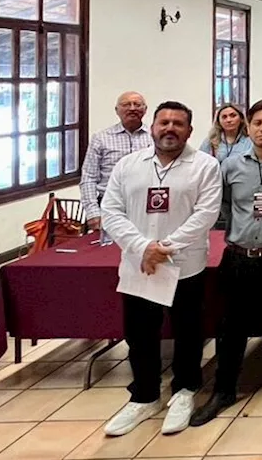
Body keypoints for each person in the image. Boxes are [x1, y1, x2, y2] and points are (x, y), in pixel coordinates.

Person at [99, 101, 221, 437]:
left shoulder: (204, 166)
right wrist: (144, 247)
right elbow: (111, 211)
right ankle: (144, 396)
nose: (170, 128)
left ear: (189, 131)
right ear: (152, 127)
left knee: (188, 333)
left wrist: (165, 247)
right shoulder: (128, 165)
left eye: (178, 124)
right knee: (140, 335)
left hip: (185, 266)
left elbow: (206, 214)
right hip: (141, 267)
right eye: (164, 122)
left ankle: (184, 391)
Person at [190, 100, 262, 426]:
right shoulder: (230, 166)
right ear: (248, 126)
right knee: (231, 328)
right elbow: (221, 208)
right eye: (257, 123)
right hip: (238, 257)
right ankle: (224, 389)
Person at [81, 91, 153, 230]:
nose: (132, 108)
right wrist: (93, 212)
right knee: (108, 251)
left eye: (137, 104)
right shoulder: (101, 138)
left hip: (146, 206)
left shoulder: (155, 137)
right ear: (117, 110)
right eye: (126, 104)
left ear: (145, 110)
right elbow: (88, 177)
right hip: (110, 204)